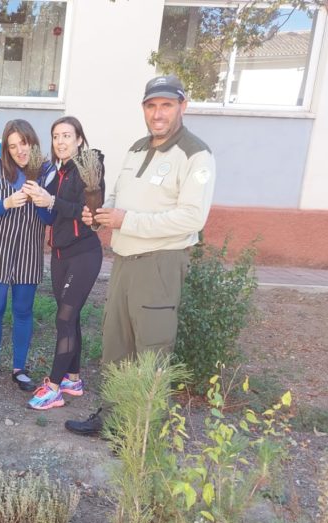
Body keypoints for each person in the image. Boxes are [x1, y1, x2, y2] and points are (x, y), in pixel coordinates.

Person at [66, 75, 216, 436]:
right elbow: (119, 196)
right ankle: (114, 417)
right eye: (151, 105)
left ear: (183, 105)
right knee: (116, 344)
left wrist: (125, 220)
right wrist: (102, 214)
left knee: (151, 349)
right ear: (144, 109)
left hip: (160, 263)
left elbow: (191, 218)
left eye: (166, 104)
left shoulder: (196, 154)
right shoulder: (136, 148)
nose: (158, 113)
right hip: (124, 261)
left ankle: (143, 433)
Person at [27, 116, 104, 411]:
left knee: (63, 319)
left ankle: (54, 387)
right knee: (70, 318)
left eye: (67, 136)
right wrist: (39, 201)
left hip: (84, 253)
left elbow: (87, 211)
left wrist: (51, 201)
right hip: (59, 255)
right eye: (56, 136)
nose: (61, 141)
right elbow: (52, 216)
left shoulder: (89, 168)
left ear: (80, 139)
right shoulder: (56, 172)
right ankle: (73, 379)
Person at [0, 119, 54, 391]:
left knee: (23, 311)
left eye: (24, 143)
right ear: (6, 149)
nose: (20, 150)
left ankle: (20, 368)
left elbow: (49, 218)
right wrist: (6, 203)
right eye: (13, 146)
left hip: (29, 252)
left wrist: (41, 199)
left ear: (32, 141)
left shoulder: (47, 171)